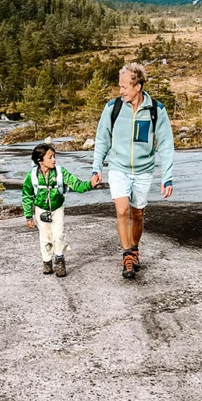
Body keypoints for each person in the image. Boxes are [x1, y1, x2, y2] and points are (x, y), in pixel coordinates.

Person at [92, 62, 175, 279]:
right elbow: (102, 139)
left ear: (137, 87)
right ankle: (127, 254)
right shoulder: (113, 108)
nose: (120, 91)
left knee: (137, 213)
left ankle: (135, 249)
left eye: (124, 87)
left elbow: (165, 145)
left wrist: (167, 177)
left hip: (144, 171)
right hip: (118, 168)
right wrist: (96, 167)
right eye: (119, 87)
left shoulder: (156, 110)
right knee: (122, 211)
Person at [22, 143, 101, 277]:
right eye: (50, 157)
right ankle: (47, 262)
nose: (54, 160)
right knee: (45, 237)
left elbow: (77, 185)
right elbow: (27, 196)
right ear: (40, 160)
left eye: (54, 156)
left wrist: (90, 184)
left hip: (57, 209)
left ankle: (59, 260)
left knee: (59, 235)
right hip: (40, 210)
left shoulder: (60, 173)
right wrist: (28, 216)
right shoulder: (32, 177)